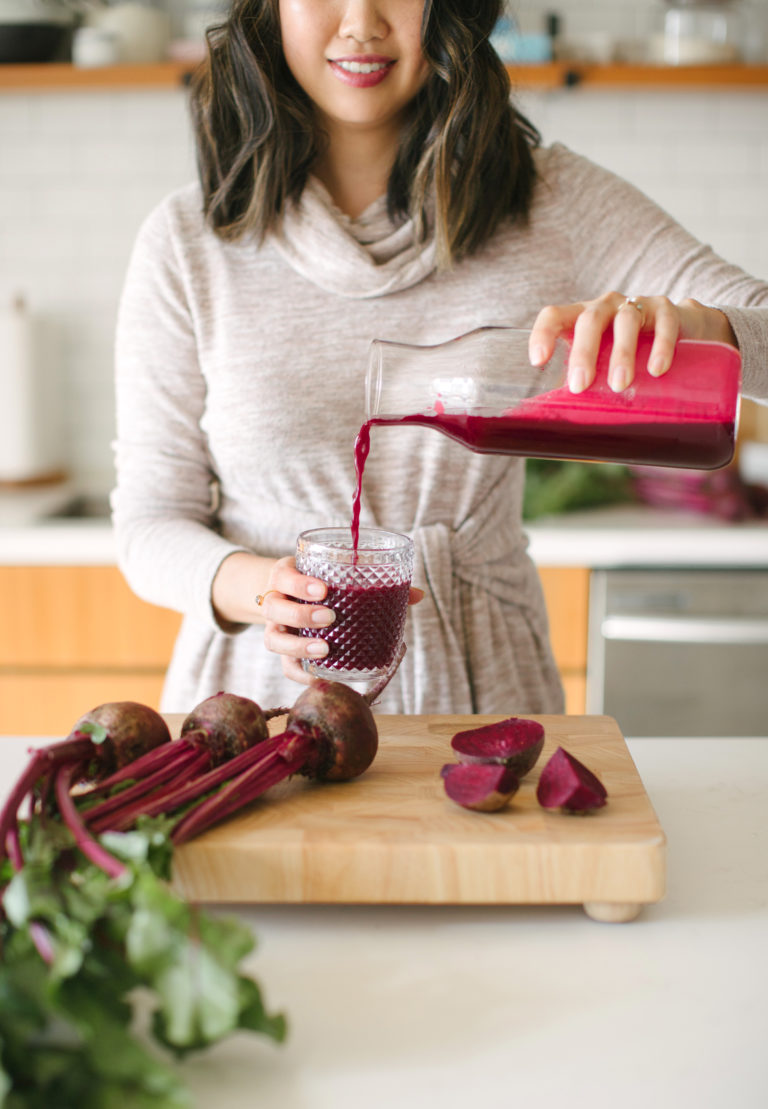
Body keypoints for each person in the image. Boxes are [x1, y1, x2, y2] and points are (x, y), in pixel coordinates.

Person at [112, 0, 768, 716]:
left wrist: (707, 326)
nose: (360, 22)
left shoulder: (553, 202)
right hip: (254, 710)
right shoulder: (189, 242)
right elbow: (148, 522)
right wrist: (267, 590)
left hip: (485, 694)